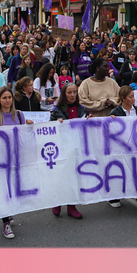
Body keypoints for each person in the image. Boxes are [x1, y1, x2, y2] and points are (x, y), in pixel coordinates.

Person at [0, 87, 34, 239]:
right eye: (4, 98)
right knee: (2, 189)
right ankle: (5, 223)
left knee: (13, 186)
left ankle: (8, 211)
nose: (7, 100)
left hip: (16, 156)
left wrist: (29, 125)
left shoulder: (19, 114)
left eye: (9, 97)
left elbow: (24, 134)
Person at [107, 86, 137, 214]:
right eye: (130, 97)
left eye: (133, 96)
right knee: (121, 173)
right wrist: (110, 122)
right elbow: (109, 131)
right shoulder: (115, 112)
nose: (133, 99)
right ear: (123, 98)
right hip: (121, 148)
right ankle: (113, 197)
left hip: (136, 148)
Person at [49, 83, 87, 219]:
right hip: (62, 149)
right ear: (64, 94)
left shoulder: (82, 109)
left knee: (75, 177)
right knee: (61, 177)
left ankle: (71, 206)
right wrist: (56, 124)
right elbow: (50, 131)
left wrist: (91, 121)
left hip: (77, 149)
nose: (72, 95)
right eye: (69, 92)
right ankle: (58, 202)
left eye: (74, 92)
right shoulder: (56, 110)